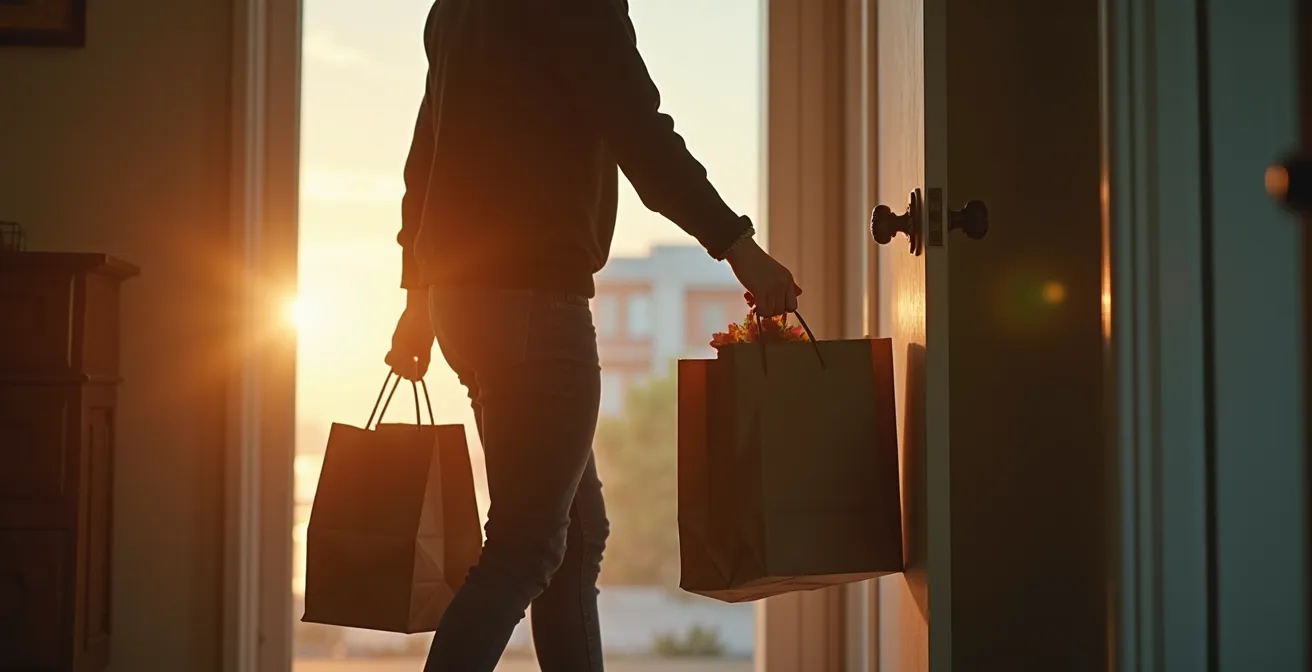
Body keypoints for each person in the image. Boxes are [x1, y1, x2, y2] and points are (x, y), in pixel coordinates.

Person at [384, 1, 800, 670]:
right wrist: (739, 248)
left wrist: (416, 299)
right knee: (526, 548)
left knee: (575, 537)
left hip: (463, 303)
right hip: (531, 303)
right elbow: (639, 131)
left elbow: (425, 158)